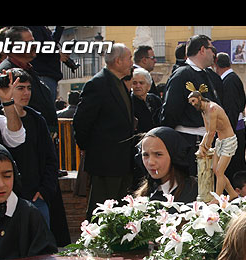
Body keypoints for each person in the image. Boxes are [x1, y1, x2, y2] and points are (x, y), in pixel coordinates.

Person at [73, 43, 136, 220]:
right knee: (101, 213)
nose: (132, 62)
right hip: (105, 162)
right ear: (118, 61)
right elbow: (81, 122)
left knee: (121, 212)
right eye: (129, 58)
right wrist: (89, 148)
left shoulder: (119, 83)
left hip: (123, 161)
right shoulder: (98, 84)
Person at [4, 68, 58, 228]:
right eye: (20, 88)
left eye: (29, 88)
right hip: (7, 198)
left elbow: (51, 158)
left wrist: (44, 191)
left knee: (43, 249)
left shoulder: (36, 119)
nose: (26, 93)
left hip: (36, 198)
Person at [160, 35, 219, 177]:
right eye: (212, 49)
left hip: (208, 141)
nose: (214, 54)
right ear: (202, 50)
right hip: (189, 143)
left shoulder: (208, 75)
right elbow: (171, 111)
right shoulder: (181, 75)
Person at [0, 26, 58, 133]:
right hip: (22, 139)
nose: (34, 45)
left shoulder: (28, 69)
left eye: (34, 41)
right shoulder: (4, 73)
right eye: (29, 42)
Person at [188, 90, 237, 198]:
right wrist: (202, 145)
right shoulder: (203, 111)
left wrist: (205, 146)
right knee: (215, 169)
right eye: (191, 102)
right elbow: (207, 132)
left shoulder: (212, 109)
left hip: (229, 140)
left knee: (219, 171)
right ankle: (232, 194)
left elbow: (212, 132)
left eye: (193, 101)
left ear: (199, 98)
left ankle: (217, 198)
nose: (193, 104)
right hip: (220, 141)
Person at [133, 126, 197, 205]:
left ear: (174, 155)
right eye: (145, 155)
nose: (150, 162)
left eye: (158, 154)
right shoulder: (144, 196)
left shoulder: (193, 192)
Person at [214, 52, 246, 178]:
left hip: (234, 132)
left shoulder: (230, 81)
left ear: (216, 64)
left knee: (233, 169)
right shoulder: (231, 79)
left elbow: (231, 110)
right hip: (235, 130)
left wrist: (227, 135)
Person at [131, 67, 162, 134]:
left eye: (141, 83)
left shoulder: (155, 100)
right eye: (134, 83)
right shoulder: (129, 102)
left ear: (149, 86)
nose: (138, 86)